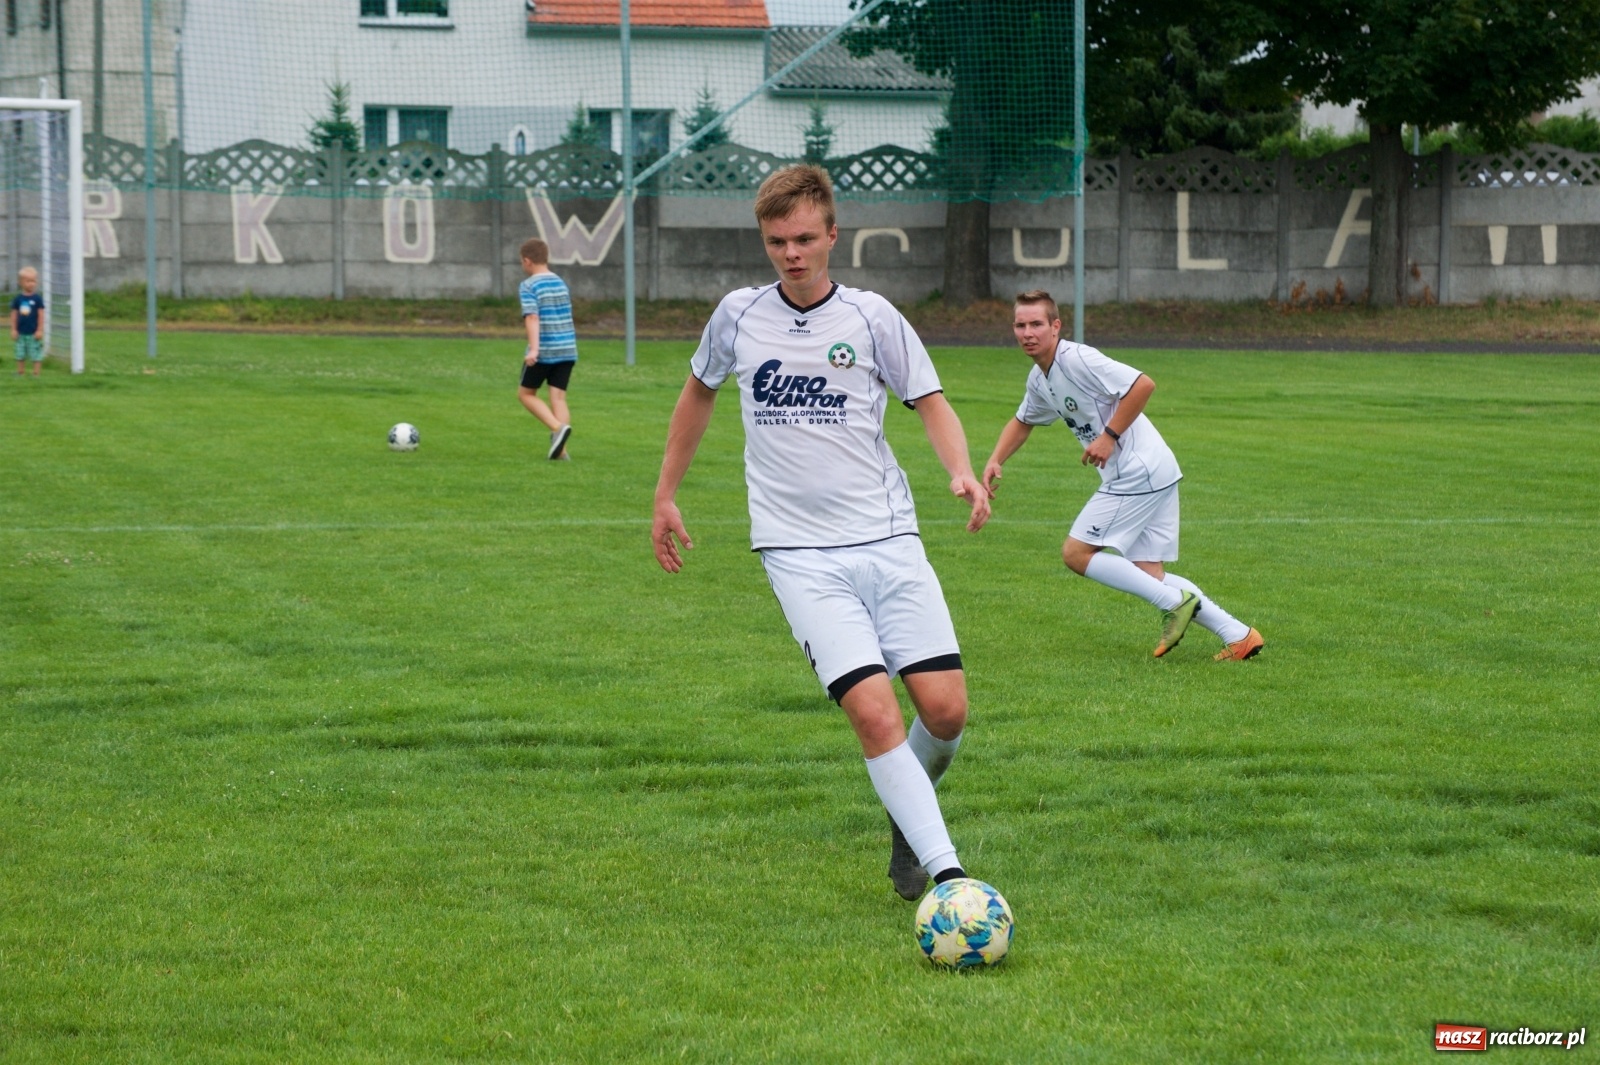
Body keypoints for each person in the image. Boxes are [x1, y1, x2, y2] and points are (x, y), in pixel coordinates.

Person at [651, 164, 992, 901]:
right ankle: (948, 878)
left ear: (833, 235)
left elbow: (930, 400)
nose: (791, 253)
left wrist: (961, 471)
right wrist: (666, 493)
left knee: (945, 712)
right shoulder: (738, 315)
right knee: (874, 711)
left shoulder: (872, 318)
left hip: (888, 537)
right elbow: (698, 393)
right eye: (777, 241)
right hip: (798, 552)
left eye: (804, 239)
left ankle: (908, 812)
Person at [982, 291, 1264, 661]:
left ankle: (1173, 604)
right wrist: (995, 459)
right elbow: (1023, 420)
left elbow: (1143, 384)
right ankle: (1239, 635)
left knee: (1076, 553)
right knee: (1149, 573)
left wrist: (1109, 436)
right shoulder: (1040, 378)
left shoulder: (1078, 359)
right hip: (1156, 469)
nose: (1027, 333)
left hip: (1137, 471)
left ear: (1055, 326)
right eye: (1020, 325)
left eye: (1036, 324)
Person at [516, 238, 576, 460]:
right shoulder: (560, 282)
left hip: (545, 350)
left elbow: (532, 317)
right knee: (558, 398)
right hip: (567, 349)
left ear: (527, 261)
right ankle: (561, 451)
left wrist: (534, 349)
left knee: (525, 394)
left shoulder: (529, 285)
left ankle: (557, 428)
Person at [11, 267, 45, 377]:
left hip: (33, 333)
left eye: (33, 281)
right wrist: (14, 329)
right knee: (20, 353)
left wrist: (39, 330)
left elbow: (41, 315)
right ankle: (20, 372)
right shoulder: (18, 299)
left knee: (36, 353)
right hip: (21, 333)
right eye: (28, 281)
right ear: (21, 282)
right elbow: (14, 315)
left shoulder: (38, 299)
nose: (31, 284)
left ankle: (36, 373)